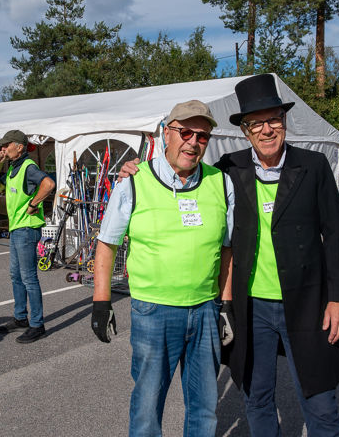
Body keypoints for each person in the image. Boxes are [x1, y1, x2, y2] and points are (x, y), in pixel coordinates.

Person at [118, 74, 339, 436]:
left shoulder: (314, 166)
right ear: (245, 131)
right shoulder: (230, 168)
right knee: (257, 398)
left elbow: (335, 235)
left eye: (273, 120)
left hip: (307, 301)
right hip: (251, 307)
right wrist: (136, 170)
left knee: (320, 401)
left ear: (284, 121)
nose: (266, 130)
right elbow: (183, 174)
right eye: (255, 123)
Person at [92, 100, 235, 436]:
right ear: (166, 133)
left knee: (204, 407)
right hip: (154, 312)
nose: (193, 142)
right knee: (147, 405)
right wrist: (101, 302)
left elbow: (227, 249)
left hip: (205, 310)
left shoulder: (221, 183)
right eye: (185, 132)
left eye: (202, 136)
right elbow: (107, 245)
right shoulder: (134, 181)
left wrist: (226, 304)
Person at [0, 130, 55, 343]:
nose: (2, 148)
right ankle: (20, 318)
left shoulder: (28, 167)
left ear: (19, 147)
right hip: (17, 229)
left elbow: (48, 184)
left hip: (27, 229)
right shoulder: (12, 168)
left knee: (28, 278)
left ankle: (37, 324)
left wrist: (33, 204)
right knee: (16, 276)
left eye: (6, 145)